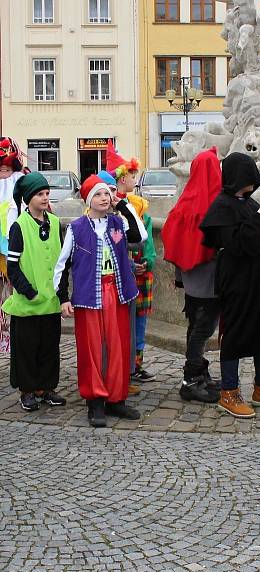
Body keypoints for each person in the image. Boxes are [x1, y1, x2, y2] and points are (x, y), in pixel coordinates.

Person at [199, 152, 260, 418]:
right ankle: (229, 391)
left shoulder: (252, 204)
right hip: (237, 283)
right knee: (236, 335)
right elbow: (235, 243)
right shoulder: (222, 206)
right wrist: (259, 219)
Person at [54, 175, 146, 427]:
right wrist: (62, 297)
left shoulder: (118, 224)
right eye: (98, 194)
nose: (104, 198)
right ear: (88, 200)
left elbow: (141, 236)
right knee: (91, 348)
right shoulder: (76, 228)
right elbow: (62, 264)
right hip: (88, 296)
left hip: (116, 293)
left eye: (106, 194)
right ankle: (95, 400)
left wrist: (124, 205)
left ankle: (116, 399)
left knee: (118, 346)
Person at [162, 147, 223, 403]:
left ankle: (198, 370)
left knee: (194, 326)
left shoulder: (185, 200)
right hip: (209, 278)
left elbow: (171, 237)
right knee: (204, 328)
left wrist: (181, 273)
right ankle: (190, 378)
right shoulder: (213, 202)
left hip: (190, 278)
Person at [2, 172, 67, 411]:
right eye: (40, 194)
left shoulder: (54, 223)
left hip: (49, 301)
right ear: (29, 198)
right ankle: (27, 390)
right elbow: (13, 266)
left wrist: (62, 295)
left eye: (47, 193)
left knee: (49, 347)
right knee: (27, 349)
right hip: (28, 302)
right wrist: (28, 291)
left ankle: (46, 387)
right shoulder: (19, 226)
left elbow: (62, 262)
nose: (45, 197)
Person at [104, 142, 146, 394]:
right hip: (109, 282)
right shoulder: (105, 215)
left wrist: (123, 205)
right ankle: (114, 377)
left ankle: (123, 375)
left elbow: (137, 236)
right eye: (131, 175)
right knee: (111, 334)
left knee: (125, 330)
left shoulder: (121, 208)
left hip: (123, 278)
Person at [0, 137, 26, 355]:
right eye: (0, 170)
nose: (4, 175)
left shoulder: (21, 185)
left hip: (16, 255)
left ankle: (16, 343)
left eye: (7, 169)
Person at [127, 192, 156, 382]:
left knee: (140, 324)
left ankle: (136, 365)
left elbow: (150, 248)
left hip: (143, 279)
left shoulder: (146, 219)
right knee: (126, 326)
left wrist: (146, 262)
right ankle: (127, 365)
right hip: (127, 281)